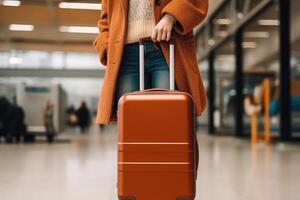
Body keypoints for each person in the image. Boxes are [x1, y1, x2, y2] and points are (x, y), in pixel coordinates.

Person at [93, 0, 209, 125]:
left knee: (166, 117)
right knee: (131, 121)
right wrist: (105, 45)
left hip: (165, 47)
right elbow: (105, 19)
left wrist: (171, 16)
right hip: (126, 56)